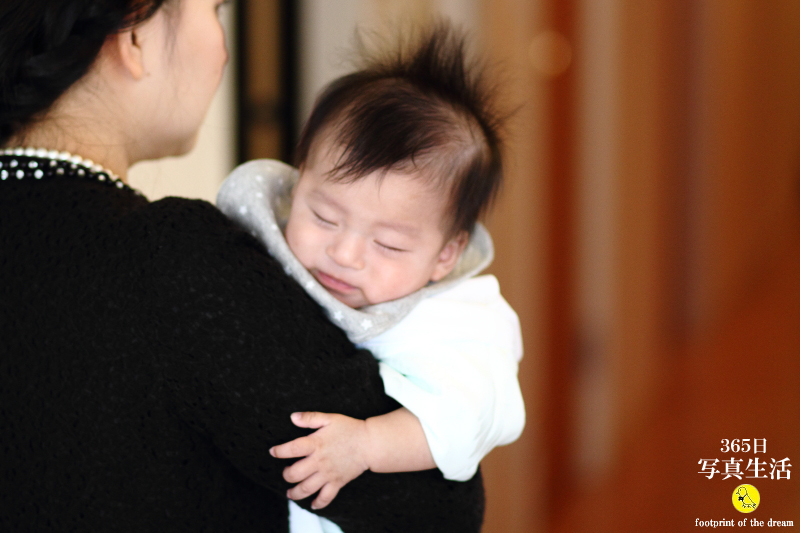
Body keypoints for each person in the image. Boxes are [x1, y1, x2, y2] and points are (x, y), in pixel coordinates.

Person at [0, 1, 486, 531]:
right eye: (214, 10)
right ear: (134, 35)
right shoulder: (172, 261)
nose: (223, 48)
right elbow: (440, 505)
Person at [216, 25, 525, 533]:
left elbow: (474, 412)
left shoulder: (456, 316)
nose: (344, 253)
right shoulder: (257, 239)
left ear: (445, 256)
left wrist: (367, 444)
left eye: (389, 245)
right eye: (324, 216)